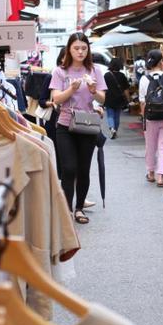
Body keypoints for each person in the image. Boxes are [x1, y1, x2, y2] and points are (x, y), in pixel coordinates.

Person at [51, 33, 107, 224]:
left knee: (84, 169)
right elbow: (56, 99)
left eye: (84, 48)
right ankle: (67, 209)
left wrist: (93, 91)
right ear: (69, 49)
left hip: (87, 125)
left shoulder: (95, 70)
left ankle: (79, 208)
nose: (80, 52)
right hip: (65, 125)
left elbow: (102, 99)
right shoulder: (60, 72)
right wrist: (72, 89)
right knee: (68, 168)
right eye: (76, 48)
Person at [139, 49, 163, 186]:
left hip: (150, 118)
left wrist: (144, 117)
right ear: (161, 62)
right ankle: (161, 176)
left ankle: (150, 173)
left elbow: (142, 101)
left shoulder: (144, 79)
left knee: (150, 146)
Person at [103, 57, 130, 139]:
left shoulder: (106, 75)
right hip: (119, 99)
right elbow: (126, 89)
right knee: (117, 116)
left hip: (109, 98)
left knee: (110, 115)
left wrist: (102, 99)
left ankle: (112, 128)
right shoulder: (122, 76)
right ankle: (115, 130)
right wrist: (128, 99)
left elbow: (103, 89)